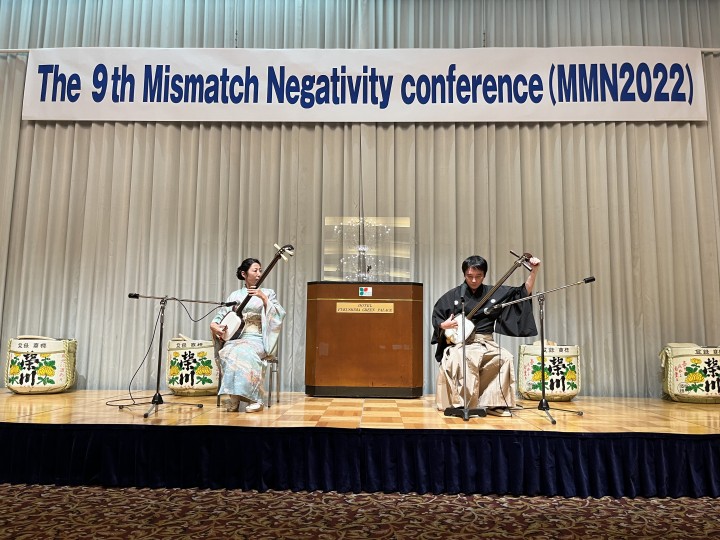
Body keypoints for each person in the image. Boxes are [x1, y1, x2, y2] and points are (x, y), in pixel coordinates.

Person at [431, 254, 541, 416]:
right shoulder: (453, 296)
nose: (474, 280)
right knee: (468, 357)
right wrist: (443, 325)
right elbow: (438, 318)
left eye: (478, 276)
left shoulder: (494, 293)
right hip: (461, 344)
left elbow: (522, 293)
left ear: (484, 275)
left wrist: (534, 272)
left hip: (486, 342)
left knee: (504, 357)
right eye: (470, 276)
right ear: (464, 275)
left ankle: (495, 403)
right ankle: (463, 405)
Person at [210, 257, 285, 413]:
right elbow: (221, 316)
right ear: (244, 274)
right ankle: (234, 397)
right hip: (238, 338)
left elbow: (278, 314)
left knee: (243, 351)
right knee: (227, 351)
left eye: (260, 270)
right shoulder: (235, 295)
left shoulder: (268, 293)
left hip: (258, 338)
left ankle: (255, 398)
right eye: (255, 270)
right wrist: (214, 325)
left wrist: (263, 298)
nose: (258, 274)